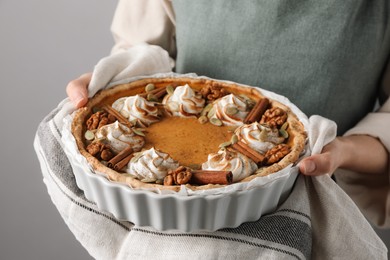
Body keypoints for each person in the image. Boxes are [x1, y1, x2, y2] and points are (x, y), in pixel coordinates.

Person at [40, 0, 390, 258]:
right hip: (165, 239)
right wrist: (114, 77)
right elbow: (143, 56)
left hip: (320, 215)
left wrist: (348, 149)